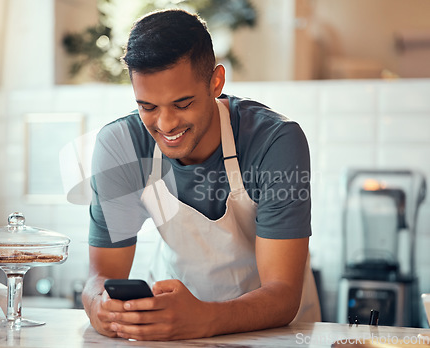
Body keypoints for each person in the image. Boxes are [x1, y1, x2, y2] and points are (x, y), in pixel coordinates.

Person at [82, 8, 321, 341]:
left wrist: (204, 318)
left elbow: (282, 294)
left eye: (182, 104)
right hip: (174, 333)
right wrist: (99, 306)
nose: (165, 125)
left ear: (216, 82)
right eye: (148, 107)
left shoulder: (275, 141)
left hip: (275, 336)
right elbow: (100, 276)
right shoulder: (120, 146)